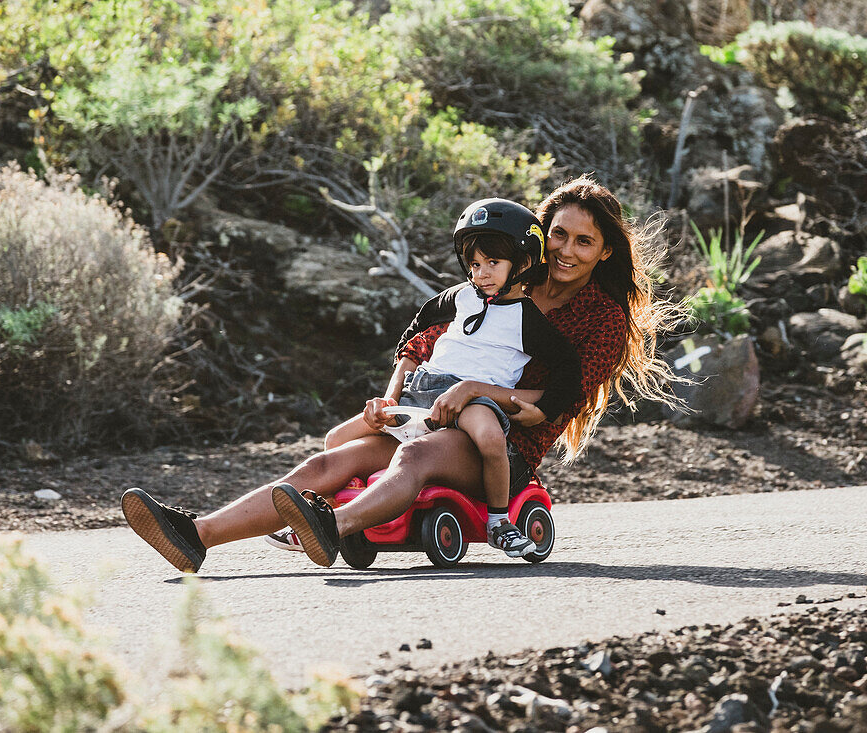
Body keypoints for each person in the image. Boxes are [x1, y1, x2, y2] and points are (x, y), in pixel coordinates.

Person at [121, 175, 683, 573]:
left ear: (605, 252)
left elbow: (557, 400)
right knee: (328, 460)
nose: (567, 249)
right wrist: (393, 397)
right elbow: (428, 344)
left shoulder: (602, 320)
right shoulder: (503, 281)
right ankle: (197, 536)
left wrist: (479, 393)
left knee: (411, 460)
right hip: (431, 415)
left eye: (584, 241)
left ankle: (331, 527)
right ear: (538, 236)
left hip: (503, 443)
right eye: (558, 234)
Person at [313, 198, 581, 557]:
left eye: (492, 263)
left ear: (525, 262)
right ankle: (334, 512)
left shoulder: (527, 320)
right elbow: (416, 328)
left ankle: (499, 522)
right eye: (473, 264)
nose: (480, 273)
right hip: (422, 389)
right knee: (336, 437)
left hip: (475, 398)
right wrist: (392, 393)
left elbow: (569, 370)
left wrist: (547, 408)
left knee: (489, 437)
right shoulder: (461, 296)